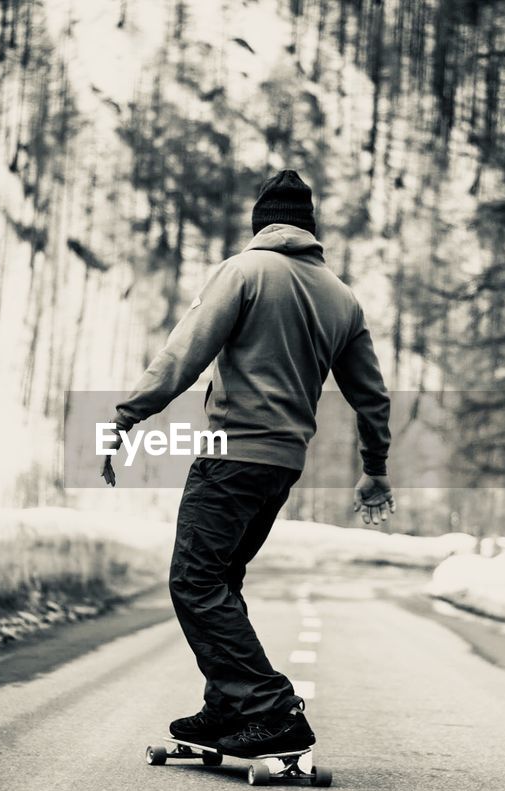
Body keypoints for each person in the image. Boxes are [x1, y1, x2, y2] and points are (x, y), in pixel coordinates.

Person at [102, 169, 393, 757]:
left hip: (230, 457)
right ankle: (225, 709)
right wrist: (376, 467)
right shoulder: (341, 297)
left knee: (194, 580)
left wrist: (125, 417)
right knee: (223, 581)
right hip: (281, 467)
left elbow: (184, 353)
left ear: (260, 224)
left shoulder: (243, 271)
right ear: (310, 229)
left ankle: (269, 707)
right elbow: (371, 395)